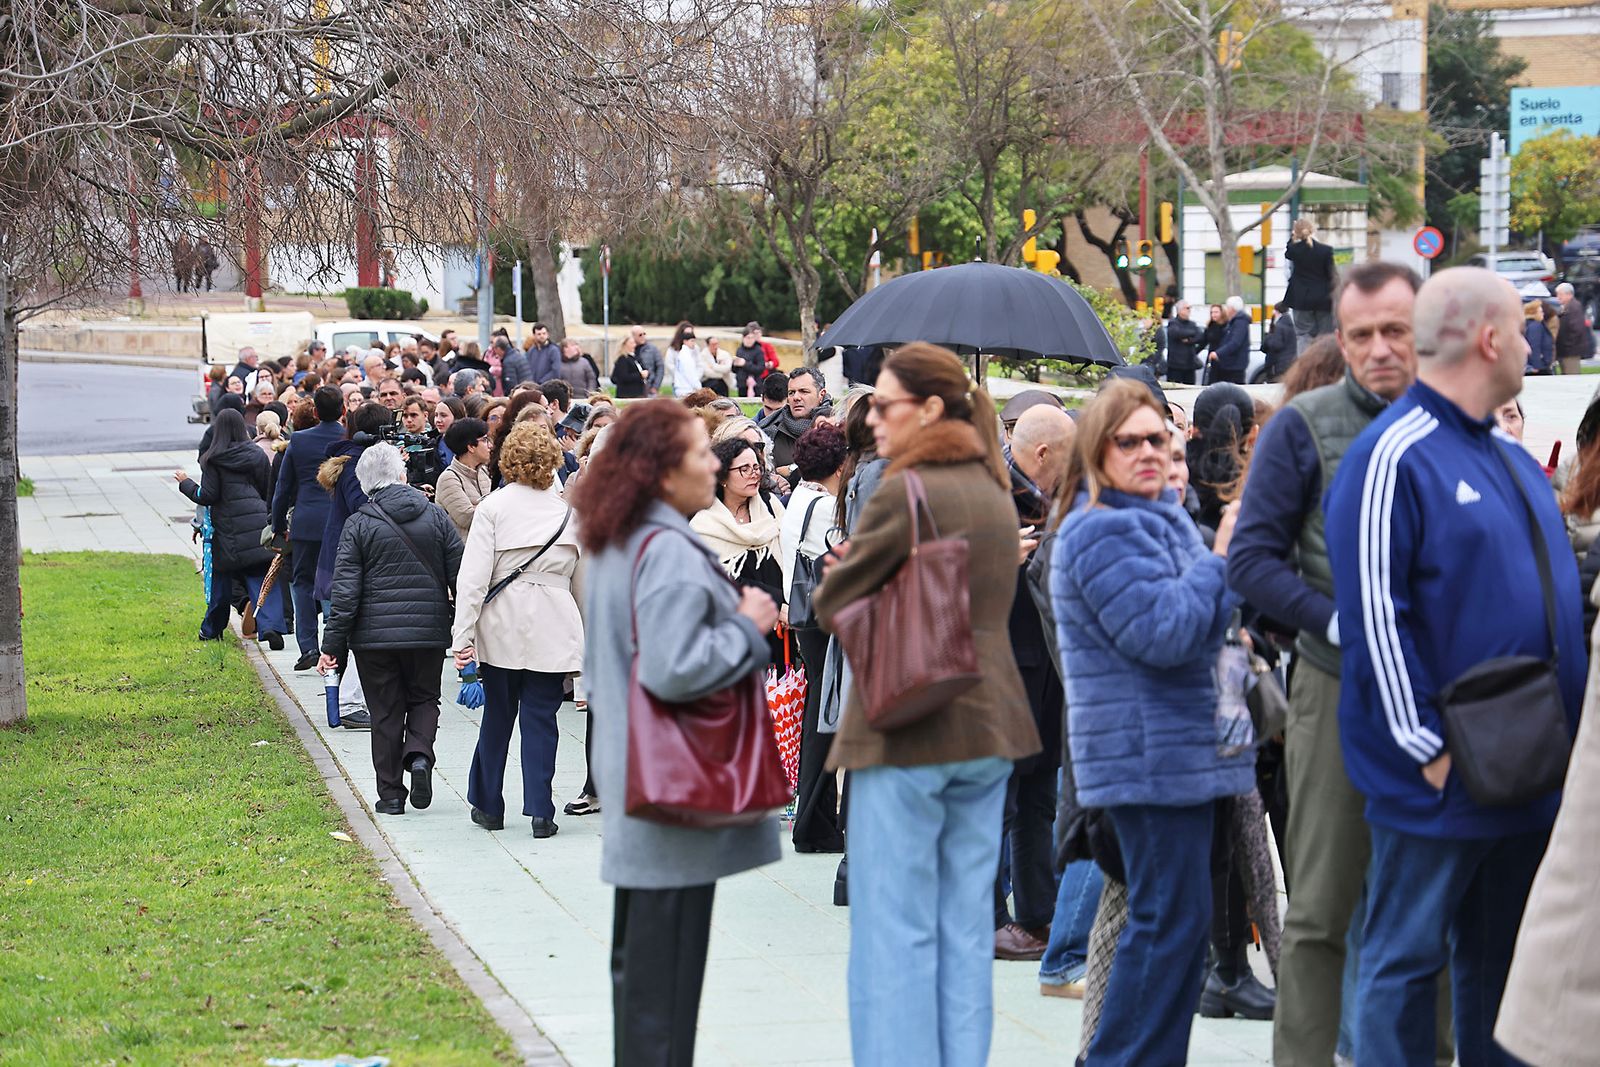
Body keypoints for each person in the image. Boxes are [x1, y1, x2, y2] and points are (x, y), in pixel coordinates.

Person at [1325, 265, 1584, 1065]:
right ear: (1489, 337)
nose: (1533, 340)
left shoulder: (1503, 454)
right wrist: (1426, 749)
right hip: (1440, 774)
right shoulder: (1392, 453)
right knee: (1403, 962)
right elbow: (1372, 615)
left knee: (1505, 971)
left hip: (1528, 765)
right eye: (1523, 326)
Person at [1227, 261, 1435, 1065]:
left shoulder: (1456, 420)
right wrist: (1339, 622)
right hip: (1338, 684)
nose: (1380, 348)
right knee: (1319, 905)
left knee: (1438, 897)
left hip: (1447, 690)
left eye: (1396, 331)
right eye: (1361, 335)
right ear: (1340, 340)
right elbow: (1251, 560)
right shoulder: (1303, 424)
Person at [812, 343, 1041, 1066]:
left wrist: (847, 571)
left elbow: (832, 604)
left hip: (908, 724)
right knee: (964, 929)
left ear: (931, 409)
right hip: (990, 722)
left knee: (894, 930)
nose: (873, 417)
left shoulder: (906, 493)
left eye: (886, 404)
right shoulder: (992, 489)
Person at [569, 400, 781, 1066]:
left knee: (648, 977)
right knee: (664, 982)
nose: (711, 463)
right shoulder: (663, 547)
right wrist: (746, 624)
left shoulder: (624, 536)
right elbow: (674, 666)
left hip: (643, 778)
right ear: (661, 472)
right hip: (669, 787)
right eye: (698, 453)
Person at [1051, 378, 1251, 1066]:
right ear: (1096, 449)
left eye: (1157, 439)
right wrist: (1223, 559)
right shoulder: (1098, 529)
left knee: (1179, 926)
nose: (1145, 451)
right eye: (1126, 440)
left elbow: (1200, 619)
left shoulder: (1156, 515)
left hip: (1183, 753)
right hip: (1145, 759)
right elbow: (1165, 631)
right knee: (1168, 923)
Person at [451, 421, 580, 838]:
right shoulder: (568, 514)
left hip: (501, 622)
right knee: (542, 719)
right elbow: (582, 583)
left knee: (498, 717)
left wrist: (462, 636)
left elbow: (472, 581)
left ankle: (489, 803)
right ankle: (541, 809)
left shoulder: (493, 508)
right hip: (553, 622)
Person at [319, 444, 463, 816]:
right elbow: (460, 576)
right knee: (425, 698)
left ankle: (390, 796)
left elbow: (345, 591)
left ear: (365, 485)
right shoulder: (436, 517)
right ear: (403, 476)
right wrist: (466, 628)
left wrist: (332, 644)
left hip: (373, 638)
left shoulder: (359, 524)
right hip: (427, 630)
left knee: (384, 712)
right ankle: (418, 755)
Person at [996, 404, 1076, 962]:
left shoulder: (1055, 499)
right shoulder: (989, 493)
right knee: (997, 800)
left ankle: (1037, 915)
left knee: (1038, 799)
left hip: (1047, 668)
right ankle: (987, 918)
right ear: (1043, 452)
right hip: (1003, 668)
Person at [779, 422, 848, 854]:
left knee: (819, 716)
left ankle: (814, 819)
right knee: (825, 719)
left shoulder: (800, 497)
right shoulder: (825, 508)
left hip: (806, 616)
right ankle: (813, 823)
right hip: (824, 618)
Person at [177, 408, 286, 647]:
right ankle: (272, 626)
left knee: (221, 583)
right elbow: (267, 488)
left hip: (227, 532)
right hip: (256, 524)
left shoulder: (212, 460)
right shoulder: (256, 454)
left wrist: (185, 483)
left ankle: (211, 629)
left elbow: (207, 495)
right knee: (262, 576)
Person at [269, 386, 348, 670]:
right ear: (344, 410)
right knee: (341, 582)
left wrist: (277, 525)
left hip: (305, 523)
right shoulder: (347, 438)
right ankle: (336, 646)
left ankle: (308, 648)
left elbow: (283, 487)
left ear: (314, 412)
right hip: (340, 522)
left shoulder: (298, 441)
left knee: (302, 584)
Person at [691, 438, 787, 622]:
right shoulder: (704, 524)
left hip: (781, 626)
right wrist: (776, 603)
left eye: (757, 467)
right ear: (722, 476)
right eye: (744, 469)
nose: (754, 474)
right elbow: (717, 582)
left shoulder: (770, 505)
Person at [761, 366, 832, 474]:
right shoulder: (770, 431)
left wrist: (792, 470)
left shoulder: (835, 427)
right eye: (791, 393)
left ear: (821, 395)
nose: (796, 397)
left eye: (804, 391)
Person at [1283, 218, 1337, 349]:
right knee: (1326, 336)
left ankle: (1305, 365)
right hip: (1323, 299)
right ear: (1312, 230)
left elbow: (1288, 251)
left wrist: (1293, 236)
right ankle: (1325, 364)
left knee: (1303, 334)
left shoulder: (1294, 251)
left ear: (1295, 233)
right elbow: (1331, 275)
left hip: (1301, 299)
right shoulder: (1325, 251)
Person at [436, 418, 493, 540]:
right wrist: (496, 502)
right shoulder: (449, 479)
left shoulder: (483, 471)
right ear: (471, 447)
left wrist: (478, 505)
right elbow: (468, 518)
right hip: (465, 552)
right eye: (484, 440)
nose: (490, 445)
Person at [1208, 296, 1251, 385]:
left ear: (1232, 309)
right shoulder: (1234, 322)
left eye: (1227, 307)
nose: (1226, 310)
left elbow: (1235, 342)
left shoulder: (1240, 322)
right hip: (1229, 365)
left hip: (1234, 366)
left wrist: (1218, 353)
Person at [1555, 281, 1594, 375]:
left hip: (1571, 352)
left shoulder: (1574, 307)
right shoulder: (1566, 307)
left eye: (1560, 294)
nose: (1558, 297)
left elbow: (1577, 330)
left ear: (1569, 294)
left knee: (1572, 376)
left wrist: (1567, 345)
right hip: (1565, 351)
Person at [1165, 301, 1205, 385]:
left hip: (1190, 365)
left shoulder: (1192, 324)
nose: (1189, 310)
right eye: (1187, 308)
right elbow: (1177, 333)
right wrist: (1191, 333)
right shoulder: (1173, 323)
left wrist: (1190, 340)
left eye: (1189, 308)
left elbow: (1200, 336)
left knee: (1190, 390)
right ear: (1179, 311)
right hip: (1175, 366)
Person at [667, 322, 703, 399]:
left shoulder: (695, 349)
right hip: (681, 385)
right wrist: (680, 376)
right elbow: (670, 365)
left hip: (693, 383)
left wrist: (696, 378)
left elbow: (699, 365)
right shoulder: (675, 349)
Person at [627, 326, 665, 395]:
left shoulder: (652, 349)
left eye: (644, 334)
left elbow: (660, 367)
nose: (643, 336)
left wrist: (655, 386)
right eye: (640, 335)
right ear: (633, 336)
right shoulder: (629, 349)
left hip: (649, 386)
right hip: (634, 388)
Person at [1524, 296, 1556, 374]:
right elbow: (1534, 346)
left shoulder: (1532, 324)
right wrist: (1536, 366)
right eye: (1540, 312)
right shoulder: (1535, 326)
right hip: (1540, 366)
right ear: (1533, 313)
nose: (1543, 314)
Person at [611, 333, 647, 398]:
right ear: (625, 345)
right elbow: (623, 377)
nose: (634, 345)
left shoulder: (634, 357)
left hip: (638, 392)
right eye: (632, 343)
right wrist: (640, 375)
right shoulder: (622, 359)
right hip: (627, 394)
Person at [734, 329, 768, 396]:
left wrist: (745, 364)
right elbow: (735, 370)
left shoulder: (759, 350)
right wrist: (734, 364)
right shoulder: (739, 350)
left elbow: (761, 368)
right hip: (741, 383)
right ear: (743, 338)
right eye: (748, 338)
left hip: (755, 383)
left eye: (752, 338)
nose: (750, 340)